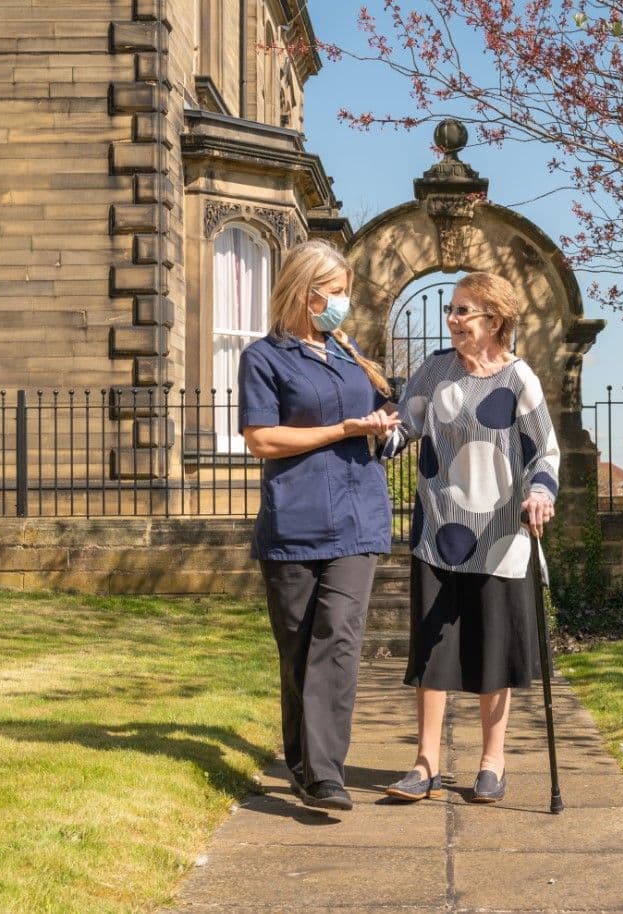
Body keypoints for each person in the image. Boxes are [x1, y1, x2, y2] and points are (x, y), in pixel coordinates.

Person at [381, 271, 558, 804]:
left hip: (503, 537)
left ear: (494, 320)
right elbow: (402, 429)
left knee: (491, 651)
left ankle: (491, 762)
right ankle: (426, 763)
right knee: (434, 654)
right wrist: (374, 431)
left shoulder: (518, 379)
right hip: (440, 531)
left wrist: (541, 493)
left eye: (463, 311)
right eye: (452, 311)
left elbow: (544, 452)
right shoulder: (434, 370)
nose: (452, 319)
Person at [238, 240, 400, 811]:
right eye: (332, 292)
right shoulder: (264, 358)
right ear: (302, 292)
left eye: (344, 292)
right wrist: (341, 430)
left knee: (338, 637)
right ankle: (304, 766)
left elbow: (379, 425)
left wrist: (381, 429)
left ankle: (325, 773)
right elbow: (261, 439)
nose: (341, 302)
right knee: (299, 648)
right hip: (295, 523)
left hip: (359, 518)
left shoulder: (350, 353)